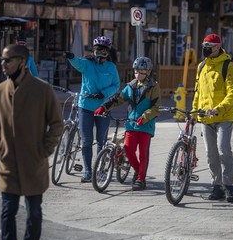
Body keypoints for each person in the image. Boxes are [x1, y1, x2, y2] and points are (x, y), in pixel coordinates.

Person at [0, 44, 64, 240]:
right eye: (2, 60)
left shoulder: (42, 90)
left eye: (8, 60)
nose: (3, 64)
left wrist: (44, 149)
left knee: (34, 213)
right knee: (7, 211)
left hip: (34, 163)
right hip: (8, 164)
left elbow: (57, 124)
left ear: (22, 62)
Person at [94, 57, 161, 191]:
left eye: (141, 71)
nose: (138, 74)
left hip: (145, 125)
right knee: (129, 150)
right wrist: (104, 107)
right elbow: (118, 98)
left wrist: (145, 117)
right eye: (136, 71)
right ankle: (138, 171)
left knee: (143, 154)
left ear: (148, 72)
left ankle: (141, 179)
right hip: (131, 124)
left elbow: (156, 107)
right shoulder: (131, 85)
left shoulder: (153, 86)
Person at [64, 36, 120, 182]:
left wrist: (104, 94)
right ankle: (88, 171)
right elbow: (77, 62)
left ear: (108, 53)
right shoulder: (87, 64)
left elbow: (116, 85)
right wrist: (70, 56)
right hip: (86, 106)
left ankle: (100, 170)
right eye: (97, 51)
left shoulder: (111, 68)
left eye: (104, 52)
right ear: (93, 51)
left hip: (103, 107)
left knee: (101, 140)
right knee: (87, 141)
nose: (100, 55)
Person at [192, 33, 233, 202]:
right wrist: (194, 111)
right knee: (211, 154)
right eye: (203, 44)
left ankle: (229, 187)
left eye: (208, 45)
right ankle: (216, 186)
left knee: (223, 150)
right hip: (205, 117)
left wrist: (219, 109)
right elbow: (198, 92)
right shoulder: (202, 66)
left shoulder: (228, 66)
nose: (205, 48)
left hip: (224, 116)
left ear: (218, 46)